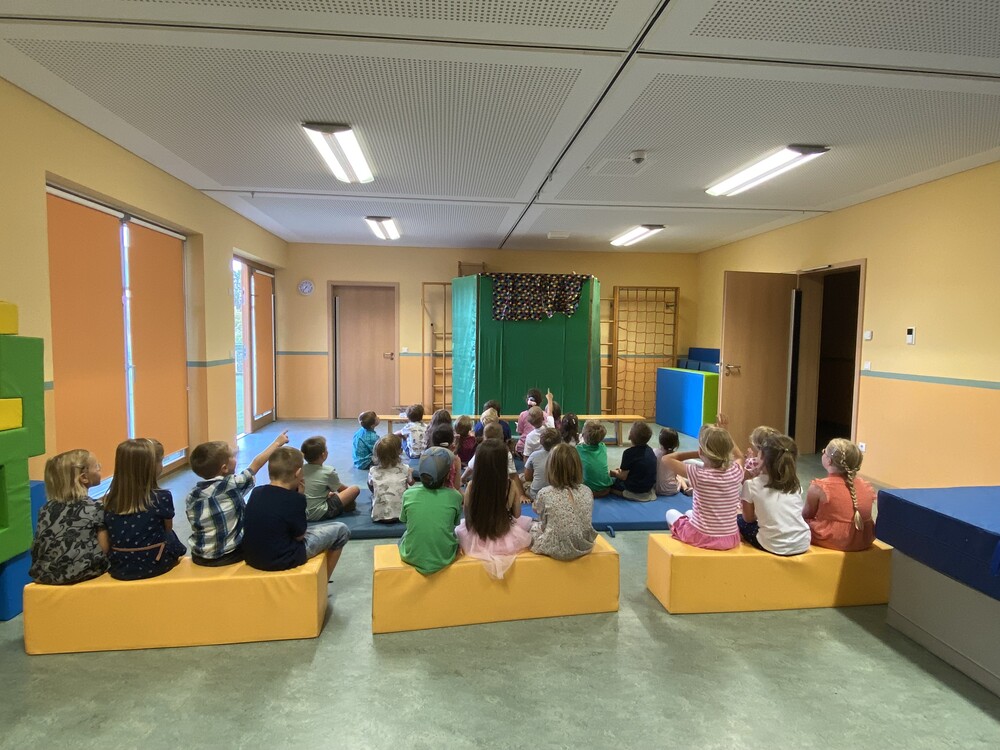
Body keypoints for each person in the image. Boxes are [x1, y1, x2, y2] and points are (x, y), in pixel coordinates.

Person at [185, 430, 289, 566]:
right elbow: (256, 464)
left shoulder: (192, 495)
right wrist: (277, 443)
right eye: (233, 456)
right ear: (224, 468)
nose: (236, 457)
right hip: (230, 554)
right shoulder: (232, 484)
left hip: (200, 556)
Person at [242, 447, 350, 573]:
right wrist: (301, 498)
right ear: (298, 473)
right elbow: (300, 536)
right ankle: (323, 581)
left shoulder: (256, 492)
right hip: (283, 559)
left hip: (252, 557)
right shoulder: (295, 499)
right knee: (341, 530)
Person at [103, 439, 186, 580]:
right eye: (160, 461)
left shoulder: (108, 500)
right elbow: (167, 528)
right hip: (156, 563)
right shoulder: (162, 497)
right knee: (170, 535)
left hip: (120, 567)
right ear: (151, 467)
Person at [29, 449, 109, 585]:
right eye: (97, 466)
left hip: (45, 575)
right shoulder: (96, 507)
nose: (100, 468)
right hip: (84, 573)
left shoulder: (45, 509)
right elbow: (104, 548)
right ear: (84, 478)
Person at [456, 439, 532, 579]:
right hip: (503, 531)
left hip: (478, 533)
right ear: (503, 463)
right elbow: (517, 514)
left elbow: (467, 514)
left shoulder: (472, 485)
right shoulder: (510, 485)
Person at [663, 423, 744, 550]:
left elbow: (666, 459)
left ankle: (685, 549)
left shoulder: (698, 474)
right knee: (689, 513)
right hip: (730, 538)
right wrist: (724, 435)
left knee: (670, 513)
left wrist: (697, 453)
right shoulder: (735, 471)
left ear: (701, 451)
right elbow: (739, 456)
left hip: (701, 537)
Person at [738, 434, 811, 555]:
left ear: (762, 457)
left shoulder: (751, 485)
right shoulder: (794, 483)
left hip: (773, 545)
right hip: (803, 542)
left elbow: (748, 518)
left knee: (739, 520)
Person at [398, 447, 464, 575]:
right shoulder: (455, 496)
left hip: (411, 556)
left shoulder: (408, 494)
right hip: (445, 557)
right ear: (447, 475)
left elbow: (405, 520)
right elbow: (454, 524)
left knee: (404, 537)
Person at [804, 438, 876, 551]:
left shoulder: (820, 487)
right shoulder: (866, 486)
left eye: (824, 451)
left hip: (834, 539)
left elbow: (806, 515)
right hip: (864, 539)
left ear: (829, 461)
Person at [530, 444, 597, 560]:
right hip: (584, 545)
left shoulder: (545, 493)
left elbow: (543, 521)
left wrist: (536, 508)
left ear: (551, 468)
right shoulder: (587, 490)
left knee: (530, 527)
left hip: (555, 549)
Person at [300, 436, 360, 521]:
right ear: (323, 455)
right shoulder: (328, 471)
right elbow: (341, 489)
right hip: (319, 513)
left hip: (302, 512)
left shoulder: (300, 469)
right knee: (354, 489)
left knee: (330, 493)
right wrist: (349, 496)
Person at [368, 435, 413, 523]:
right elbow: (411, 483)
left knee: (372, 483)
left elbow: (370, 485)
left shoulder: (373, 470)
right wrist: (410, 473)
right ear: (400, 451)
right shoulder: (405, 468)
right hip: (401, 516)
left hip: (379, 515)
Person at [610, 421, 658, 501]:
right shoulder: (650, 450)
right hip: (648, 486)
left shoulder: (628, 453)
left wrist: (614, 473)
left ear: (630, 436)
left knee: (610, 482)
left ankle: (623, 493)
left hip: (635, 487)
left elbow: (623, 476)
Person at [576, 420, 613, 498]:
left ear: (583, 435)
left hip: (588, 491)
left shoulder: (578, 449)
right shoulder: (603, 447)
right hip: (606, 489)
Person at [524, 427, 561, 500]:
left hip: (536, 495)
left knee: (522, 481)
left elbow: (527, 477)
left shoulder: (534, 455)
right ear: (560, 441)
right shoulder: (564, 456)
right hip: (559, 494)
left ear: (541, 441)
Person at [653, 427, 690, 497]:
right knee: (680, 477)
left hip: (656, 489)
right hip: (672, 489)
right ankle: (686, 488)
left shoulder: (654, 452)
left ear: (660, 441)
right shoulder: (675, 457)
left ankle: (687, 487)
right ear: (676, 443)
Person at [429, 422, 463, 491]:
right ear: (452, 442)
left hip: (431, 491)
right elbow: (457, 486)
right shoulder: (456, 460)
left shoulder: (428, 456)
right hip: (450, 493)